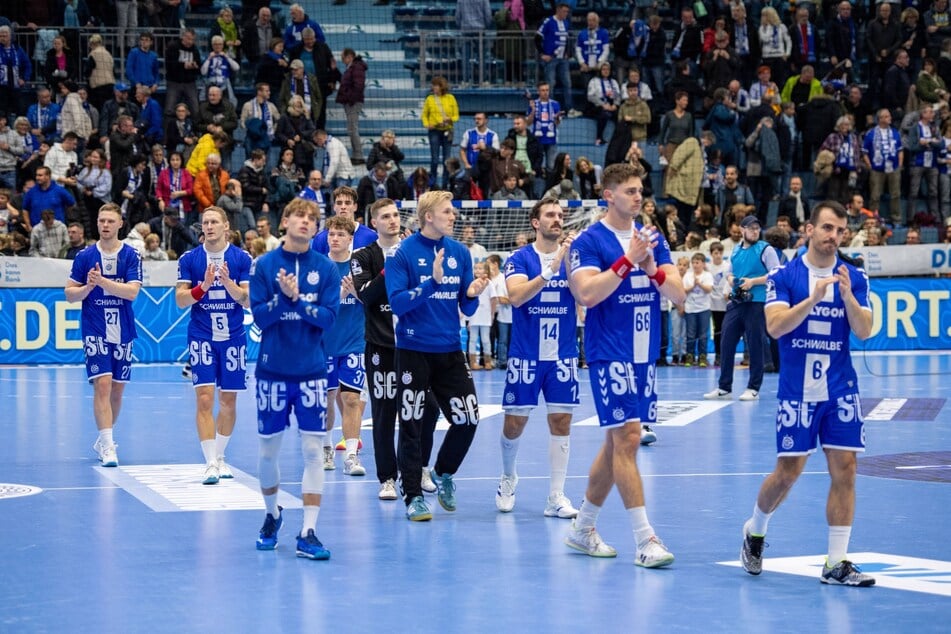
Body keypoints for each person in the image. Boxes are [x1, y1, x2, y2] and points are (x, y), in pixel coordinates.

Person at [740, 200, 875, 587]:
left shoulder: (855, 276)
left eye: (840, 230)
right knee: (788, 473)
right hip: (798, 391)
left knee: (846, 468)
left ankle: (836, 562)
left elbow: (864, 330)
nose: (835, 236)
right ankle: (756, 529)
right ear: (810, 229)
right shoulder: (784, 276)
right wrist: (813, 299)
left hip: (840, 388)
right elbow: (776, 328)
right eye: (828, 228)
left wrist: (847, 297)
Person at [565, 162, 674, 567]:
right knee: (628, 437)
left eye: (640, 189)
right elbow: (588, 294)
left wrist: (652, 269)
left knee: (616, 443)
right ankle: (645, 540)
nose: (638, 195)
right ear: (608, 195)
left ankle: (582, 528)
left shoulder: (653, 238)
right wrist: (628, 261)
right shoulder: (589, 241)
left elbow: (678, 294)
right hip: (609, 350)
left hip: (645, 354)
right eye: (629, 190)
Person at [385, 190, 489, 521]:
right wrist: (432, 281)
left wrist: (472, 294)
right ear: (428, 216)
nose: (453, 215)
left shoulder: (460, 252)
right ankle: (413, 494)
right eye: (447, 211)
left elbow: (465, 305)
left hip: (450, 350)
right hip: (414, 350)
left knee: (468, 419)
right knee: (413, 424)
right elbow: (398, 303)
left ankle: (444, 472)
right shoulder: (402, 253)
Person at [249, 197, 339, 559]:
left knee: (313, 451)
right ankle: (272, 515)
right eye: (299, 215)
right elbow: (259, 317)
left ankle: (309, 530)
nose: (306, 221)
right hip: (272, 371)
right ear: (284, 221)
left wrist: (297, 300)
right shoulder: (264, 265)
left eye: (312, 218)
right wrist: (283, 302)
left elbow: (328, 318)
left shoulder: (326, 269)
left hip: (312, 373)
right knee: (268, 450)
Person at [495, 197, 580, 517]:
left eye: (560, 215)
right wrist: (551, 268)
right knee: (514, 424)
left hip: (563, 354)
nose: (557, 219)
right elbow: (516, 297)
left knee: (561, 421)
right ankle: (507, 476)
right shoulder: (519, 258)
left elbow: (584, 295)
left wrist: (570, 263)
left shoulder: (573, 258)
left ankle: (556, 496)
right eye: (550, 215)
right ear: (536, 222)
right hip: (527, 354)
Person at [351, 198, 439, 500]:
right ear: (373, 222)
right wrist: (391, 267)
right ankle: (387, 478)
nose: (392, 221)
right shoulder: (363, 256)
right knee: (385, 413)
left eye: (395, 216)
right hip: (381, 345)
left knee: (429, 408)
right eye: (385, 216)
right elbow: (367, 296)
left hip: (416, 344)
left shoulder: (416, 251)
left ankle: (420, 468)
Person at [175, 206, 252, 484]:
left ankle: (220, 457)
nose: (208, 226)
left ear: (225, 226)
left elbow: (247, 300)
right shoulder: (190, 259)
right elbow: (181, 300)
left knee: (228, 401)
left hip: (233, 337)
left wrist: (229, 283)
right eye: (205, 222)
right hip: (202, 335)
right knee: (205, 398)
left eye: (214, 222)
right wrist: (204, 286)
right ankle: (209, 462)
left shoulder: (241, 257)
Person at [64, 203, 143, 468]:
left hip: (123, 328)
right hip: (95, 327)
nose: (105, 225)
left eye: (110, 220)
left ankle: (104, 437)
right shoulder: (85, 256)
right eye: (101, 221)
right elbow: (70, 294)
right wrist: (88, 286)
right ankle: (109, 446)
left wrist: (103, 283)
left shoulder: (131, 255)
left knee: (118, 389)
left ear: (120, 224)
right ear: (97, 224)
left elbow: (132, 293)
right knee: (104, 383)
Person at [704, 215, 780, 402]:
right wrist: (730, 280)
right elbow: (730, 272)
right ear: (742, 230)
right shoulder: (736, 250)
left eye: (757, 228)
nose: (755, 231)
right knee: (726, 342)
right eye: (751, 228)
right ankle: (724, 387)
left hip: (757, 302)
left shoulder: (766, 249)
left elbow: (777, 274)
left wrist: (754, 281)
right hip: (737, 301)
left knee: (755, 344)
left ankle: (753, 387)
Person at [321, 215, 367, 476]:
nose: (335, 238)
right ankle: (327, 447)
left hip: (354, 343)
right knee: (327, 399)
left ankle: (351, 455)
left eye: (340, 234)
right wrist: (341, 294)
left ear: (351, 239)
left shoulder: (360, 267)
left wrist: (358, 293)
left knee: (351, 398)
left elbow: (372, 302)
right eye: (331, 234)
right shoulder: (318, 267)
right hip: (324, 345)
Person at [311, 185, 376, 253]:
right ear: (334, 207)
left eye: (347, 203)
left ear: (355, 207)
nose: (343, 207)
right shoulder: (320, 238)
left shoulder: (371, 236)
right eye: (339, 203)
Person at [421, 76, 458, 188]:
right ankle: (432, 184)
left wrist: (450, 119)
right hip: (434, 131)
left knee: (446, 160)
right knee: (435, 159)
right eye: (433, 85)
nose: (433, 87)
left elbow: (456, 115)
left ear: (441, 86)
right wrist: (427, 125)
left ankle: (444, 184)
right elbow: (424, 115)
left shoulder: (450, 98)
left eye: (436, 85)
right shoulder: (430, 99)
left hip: (447, 130)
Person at [336, 48, 367, 164]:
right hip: (351, 102)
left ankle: (358, 155)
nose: (342, 60)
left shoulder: (356, 67)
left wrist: (350, 99)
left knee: (353, 129)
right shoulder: (352, 68)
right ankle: (356, 154)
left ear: (349, 56)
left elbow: (358, 86)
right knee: (351, 129)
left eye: (343, 58)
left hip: (353, 102)